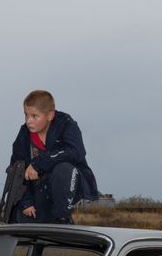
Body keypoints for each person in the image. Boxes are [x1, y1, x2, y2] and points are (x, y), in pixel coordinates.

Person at [7, 90, 97, 224]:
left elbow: (76, 152)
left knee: (63, 169)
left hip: (67, 183)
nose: (28, 121)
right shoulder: (24, 134)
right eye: (26, 115)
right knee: (23, 221)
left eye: (34, 116)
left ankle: (63, 218)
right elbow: (16, 168)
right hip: (37, 190)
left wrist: (38, 163)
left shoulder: (66, 124)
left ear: (50, 115)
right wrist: (25, 202)